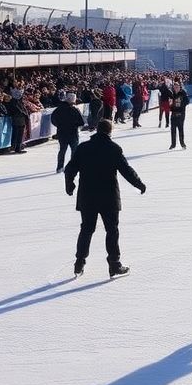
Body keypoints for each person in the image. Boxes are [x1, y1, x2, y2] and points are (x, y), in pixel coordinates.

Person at [64, 118, 146, 278]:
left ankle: (79, 263)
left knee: (86, 229)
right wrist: (139, 184)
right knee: (112, 230)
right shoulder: (113, 148)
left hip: (87, 196)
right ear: (110, 131)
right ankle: (114, 265)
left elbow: (70, 168)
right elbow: (126, 170)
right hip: (109, 197)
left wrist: (69, 184)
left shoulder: (83, 148)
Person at [51, 93, 85, 173]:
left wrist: (59, 125)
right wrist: (75, 125)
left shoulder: (58, 109)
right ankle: (73, 166)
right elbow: (81, 122)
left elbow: (53, 120)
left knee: (62, 150)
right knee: (74, 150)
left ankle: (59, 167)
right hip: (73, 133)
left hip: (62, 133)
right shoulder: (75, 110)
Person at [6, 88, 29, 154]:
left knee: (20, 134)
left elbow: (24, 109)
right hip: (17, 120)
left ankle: (18, 147)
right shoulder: (13, 102)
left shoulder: (20, 101)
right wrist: (24, 113)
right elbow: (17, 110)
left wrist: (26, 114)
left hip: (21, 120)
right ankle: (15, 147)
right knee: (16, 134)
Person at [170, 82, 190, 149]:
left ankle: (182, 144)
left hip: (181, 115)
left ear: (179, 87)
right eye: (175, 87)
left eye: (177, 87)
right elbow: (170, 103)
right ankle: (173, 144)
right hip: (173, 114)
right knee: (173, 130)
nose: (176, 88)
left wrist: (181, 104)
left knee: (180, 129)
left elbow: (187, 101)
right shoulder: (172, 94)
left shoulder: (183, 93)